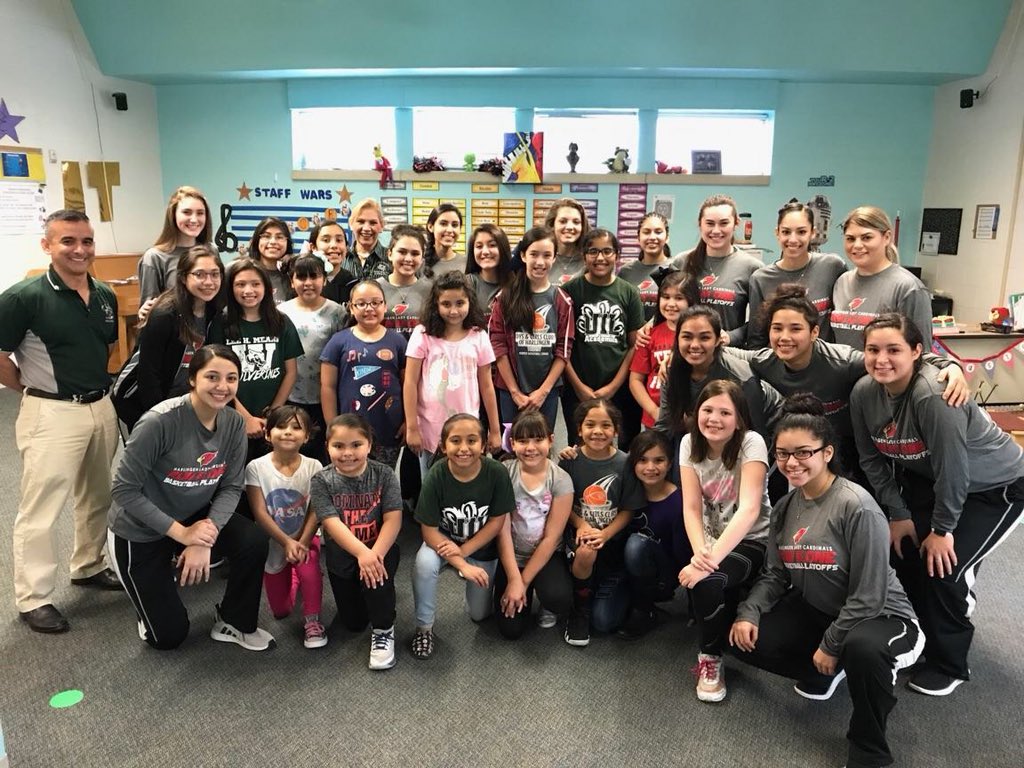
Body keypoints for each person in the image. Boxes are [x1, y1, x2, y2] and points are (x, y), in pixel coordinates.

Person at [731, 394, 923, 768]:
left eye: (804, 452)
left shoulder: (857, 506)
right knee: (743, 639)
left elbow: (868, 596)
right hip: (823, 611)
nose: (791, 463)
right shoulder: (786, 507)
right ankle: (831, 668)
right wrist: (749, 612)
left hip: (884, 618)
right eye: (783, 454)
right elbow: (775, 574)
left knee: (864, 650)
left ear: (827, 453)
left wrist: (832, 643)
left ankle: (869, 747)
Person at [850, 313, 1024, 696]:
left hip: (997, 486)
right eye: (873, 349)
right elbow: (871, 460)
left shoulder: (932, 394)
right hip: (934, 482)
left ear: (917, 352)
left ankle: (950, 663)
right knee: (905, 551)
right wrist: (898, 515)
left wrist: (943, 531)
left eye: (893, 350)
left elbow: (955, 469)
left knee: (945, 569)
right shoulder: (864, 392)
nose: (882, 359)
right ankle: (924, 629)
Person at [0, 210, 121, 633]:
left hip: (100, 407)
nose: (79, 250)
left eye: (86, 241)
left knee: (97, 494)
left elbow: (103, 349)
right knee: (41, 508)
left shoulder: (104, 294)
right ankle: (33, 597)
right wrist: (30, 389)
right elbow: (0, 355)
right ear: (47, 245)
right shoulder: (23, 297)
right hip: (50, 411)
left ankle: (88, 564)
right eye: (68, 241)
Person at [107, 345, 273, 651]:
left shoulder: (234, 423)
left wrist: (202, 537)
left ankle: (233, 621)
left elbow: (231, 486)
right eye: (212, 376)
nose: (222, 387)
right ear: (193, 379)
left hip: (194, 516)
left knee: (252, 540)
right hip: (140, 529)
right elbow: (123, 490)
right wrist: (183, 534)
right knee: (168, 637)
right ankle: (151, 605)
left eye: (231, 378)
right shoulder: (159, 422)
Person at [728, 284, 968, 484]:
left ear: (814, 333)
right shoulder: (765, 360)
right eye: (777, 329)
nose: (784, 337)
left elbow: (897, 358)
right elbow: (724, 353)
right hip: (806, 448)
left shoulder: (842, 361)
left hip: (852, 447)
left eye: (795, 329)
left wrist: (950, 365)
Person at [678, 379, 771, 702]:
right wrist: (700, 553)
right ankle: (713, 634)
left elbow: (749, 510)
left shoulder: (751, 443)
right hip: (708, 539)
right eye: (707, 410)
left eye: (724, 412)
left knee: (706, 582)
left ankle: (710, 657)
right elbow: (690, 507)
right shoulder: (689, 444)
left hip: (751, 539)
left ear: (739, 418)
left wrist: (707, 562)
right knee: (704, 578)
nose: (714, 419)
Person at [411, 414, 515, 660]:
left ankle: (469, 579)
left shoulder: (496, 472)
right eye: (455, 441)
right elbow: (428, 530)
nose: (464, 448)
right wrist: (460, 564)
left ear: (483, 444)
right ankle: (424, 627)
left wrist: (464, 553)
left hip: (481, 545)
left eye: (472, 440)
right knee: (424, 564)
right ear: (443, 446)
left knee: (479, 615)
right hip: (443, 541)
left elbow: (496, 522)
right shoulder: (437, 474)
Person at [311, 414, 403, 670]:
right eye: (338, 446)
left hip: (379, 549)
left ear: (369, 445)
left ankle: (384, 630)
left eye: (356, 445)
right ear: (327, 446)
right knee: (353, 623)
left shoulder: (383, 474)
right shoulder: (321, 481)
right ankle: (366, 598)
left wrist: (373, 555)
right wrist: (361, 554)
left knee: (377, 581)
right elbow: (331, 523)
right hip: (343, 557)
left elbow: (393, 519)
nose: (347, 453)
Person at [112, 244, 225, 433]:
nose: (209, 281)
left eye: (215, 274)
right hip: (141, 401)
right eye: (199, 274)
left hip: (183, 401)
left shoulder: (214, 311)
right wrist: (160, 418)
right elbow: (149, 374)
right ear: (183, 277)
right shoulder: (165, 315)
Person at [560, 398, 644, 646]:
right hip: (580, 537)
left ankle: (613, 584)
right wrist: (580, 524)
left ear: (616, 430)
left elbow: (629, 509)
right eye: (590, 425)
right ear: (579, 429)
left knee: (604, 622)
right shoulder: (569, 460)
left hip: (612, 541)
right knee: (586, 553)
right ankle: (580, 608)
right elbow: (561, 504)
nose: (598, 431)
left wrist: (606, 534)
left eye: (606, 425)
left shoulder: (625, 463)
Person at [403, 271, 502, 471]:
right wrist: (412, 427)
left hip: (468, 427)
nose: (454, 311)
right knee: (432, 482)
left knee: (467, 481)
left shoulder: (478, 336)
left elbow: (487, 385)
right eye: (446, 304)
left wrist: (495, 430)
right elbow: (410, 382)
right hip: (431, 428)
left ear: (470, 303)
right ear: (436, 305)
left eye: (460, 303)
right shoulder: (423, 334)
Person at [245, 406, 325, 649]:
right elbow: (259, 512)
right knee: (281, 611)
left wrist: (301, 541)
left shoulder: (314, 467)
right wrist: (286, 542)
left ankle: (313, 621)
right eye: (281, 427)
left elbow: (315, 509)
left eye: (296, 428)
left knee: (309, 569)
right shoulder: (256, 468)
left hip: (305, 537)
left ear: (307, 436)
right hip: (274, 539)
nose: (288, 432)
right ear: (268, 435)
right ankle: (292, 575)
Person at [210, 259, 302, 467]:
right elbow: (215, 376)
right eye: (240, 284)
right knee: (232, 476)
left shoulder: (282, 322)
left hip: (271, 420)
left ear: (266, 288)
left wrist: (274, 414)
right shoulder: (221, 324)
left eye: (255, 284)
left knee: (266, 475)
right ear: (230, 288)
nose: (248, 290)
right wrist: (245, 417)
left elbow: (290, 372)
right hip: (230, 416)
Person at [562, 228, 645, 448]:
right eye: (593, 251)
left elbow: (634, 345)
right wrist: (578, 386)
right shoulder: (569, 291)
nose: (600, 258)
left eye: (607, 251)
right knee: (578, 445)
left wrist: (613, 387)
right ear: (584, 255)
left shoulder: (628, 292)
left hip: (619, 386)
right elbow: (561, 346)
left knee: (624, 445)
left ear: (617, 255)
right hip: (577, 387)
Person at [494, 411, 574, 639]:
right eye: (522, 441)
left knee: (559, 597)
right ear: (512, 443)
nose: (530, 447)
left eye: (538, 440)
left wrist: (523, 582)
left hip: (546, 554)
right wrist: (513, 579)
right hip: (511, 553)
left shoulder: (560, 480)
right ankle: (518, 592)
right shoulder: (504, 474)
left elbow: (551, 538)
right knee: (510, 630)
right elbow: (503, 532)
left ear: (550, 440)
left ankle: (544, 600)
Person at [489, 225, 574, 432]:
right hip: (510, 392)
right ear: (523, 256)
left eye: (547, 255)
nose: (540, 262)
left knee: (541, 447)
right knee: (510, 450)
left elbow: (563, 351)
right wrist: (515, 392)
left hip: (547, 393)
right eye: (534, 254)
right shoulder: (504, 298)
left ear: (554, 258)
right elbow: (497, 346)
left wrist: (543, 392)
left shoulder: (563, 301)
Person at [655, 305, 781, 443]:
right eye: (687, 337)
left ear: (717, 340)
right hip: (717, 431)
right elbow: (665, 427)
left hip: (770, 426)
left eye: (704, 338)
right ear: (677, 339)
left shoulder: (741, 378)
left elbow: (756, 437)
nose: (695, 345)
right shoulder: (670, 371)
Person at [320, 280, 407, 469]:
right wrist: (332, 426)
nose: (369, 309)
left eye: (375, 302)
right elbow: (327, 387)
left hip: (388, 429)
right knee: (349, 478)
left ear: (385, 306)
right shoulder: (338, 341)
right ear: (351, 308)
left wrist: (409, 421)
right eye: (361, 303)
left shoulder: (398, 341)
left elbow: (408, 384)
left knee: (383, 479)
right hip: (348, 431)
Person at [746, 199, 846, 347]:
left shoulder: (832, 267)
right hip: (780, 365)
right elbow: (757, 340)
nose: (793, 239)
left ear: (812, 232)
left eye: (801, 232)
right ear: (777, 233)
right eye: (786, 232)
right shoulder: (761, 279)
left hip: (824, 365)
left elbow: (843, 321)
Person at [619, 430, 689, 639]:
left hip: (664, 574)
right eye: (643, 460)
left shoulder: (678, 502)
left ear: (669, 464)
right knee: (604, 620)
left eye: (659, 460)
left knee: (636, 544)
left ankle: (645, 608)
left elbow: (683, 553)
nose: (650, 468)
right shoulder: (627, 490)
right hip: (626, 568)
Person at [831, 206, 933, 349]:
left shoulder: (908, 288)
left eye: (867, 237)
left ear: (886, 237)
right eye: (850, 239)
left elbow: (923, 352)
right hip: (843, 371)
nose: (857, 245)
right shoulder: (842, 282)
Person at [278, 254, 344, 462]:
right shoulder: (281, 312)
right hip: (290, 396)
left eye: (314, 276)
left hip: (325, 397)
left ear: (324, 279)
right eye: (301, 277)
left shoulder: (337, 312)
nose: (308, 283)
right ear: (292, 281)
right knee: (293, 453)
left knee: (322, 454)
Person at [674, 194, 764, 346]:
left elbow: (760, 322)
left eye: (723, 223)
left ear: (736, 223)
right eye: (709, 223)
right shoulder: (681, 262)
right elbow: (667, 308)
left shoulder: (752, 268)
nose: (716, 230)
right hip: (685, 353)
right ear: (700, 224)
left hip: (727, 355)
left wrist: (731, 337)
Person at [628, 270, 697, 430]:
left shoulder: (698, 337)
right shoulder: (648, 335)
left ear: (691, 300)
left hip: (691, 418)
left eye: (679, 298)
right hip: (655, 418)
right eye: (665, 297)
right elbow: (635, 381)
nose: (671, 304)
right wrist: (653, 411)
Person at [138, 185, 212, 303]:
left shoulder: (211, 250)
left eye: (200, 213)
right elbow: (149, 312)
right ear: (173, 215)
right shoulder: (154, 257)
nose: (194, 219)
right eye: (187, 212)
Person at [376, 223, 432, 341]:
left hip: (420, 358)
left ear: (422, 259)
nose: (408, 259)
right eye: (402, 252)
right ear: (390, 254)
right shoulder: (375, 288)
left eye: (415, 254)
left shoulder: (431, 290)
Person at [618, 211, 672, 319]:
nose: (652, 237)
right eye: (646, 232)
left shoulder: (675, 269)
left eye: (658, 232)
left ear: (667, 237)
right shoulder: (626, 272)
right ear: (638, 238)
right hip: (633, 335)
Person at [465, 223, 514, 324]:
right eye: (479, 246)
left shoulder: (516, 284)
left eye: (492, 245)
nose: (485, 251)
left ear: (502, 248)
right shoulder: (466, 284)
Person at [305, 219, 355, 305]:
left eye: (339, 240)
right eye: (326, 240)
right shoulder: (303, 281)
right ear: (313, 247)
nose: (334, 245)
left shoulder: (353, 284)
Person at [544, 198, 590, 285]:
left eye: (576, 222)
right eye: (563, 221)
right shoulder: (541, 258)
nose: (569, 227)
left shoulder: (589, 261)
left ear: (582, 226)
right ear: (552, 224)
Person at [248, 217, 294, 304]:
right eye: (266, 236)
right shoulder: (244, 272)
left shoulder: (292, 277)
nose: (273, 241)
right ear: (257, 241)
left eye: (279, 237)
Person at [343, 198, 391, 280]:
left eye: (373, 223)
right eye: (361, 222)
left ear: (382, 226)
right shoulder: (341, 259)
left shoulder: (391, 259)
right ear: (351, 224)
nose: (366, 228)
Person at [422, 203, 466, 279]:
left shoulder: (467, 263)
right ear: (430, 227)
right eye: (443, 224)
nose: (449, 230)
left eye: (455, 225)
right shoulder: (419, 264)